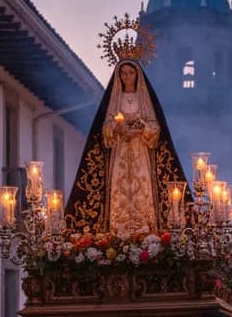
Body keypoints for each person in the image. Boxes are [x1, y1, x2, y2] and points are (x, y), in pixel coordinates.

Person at [64, 58, 186, 237]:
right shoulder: (115, 98)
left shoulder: (144, 99)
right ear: (118, 75)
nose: (127, 76)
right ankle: (117, 233)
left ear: (137, 75)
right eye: (123, 73)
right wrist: (116, 127)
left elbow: (155, 127)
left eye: (131, 73)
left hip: (140, 151)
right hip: (120, 151)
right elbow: (105, 128)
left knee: (142, 188)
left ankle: (146, 232)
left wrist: (141, 127)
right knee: (118, 190)